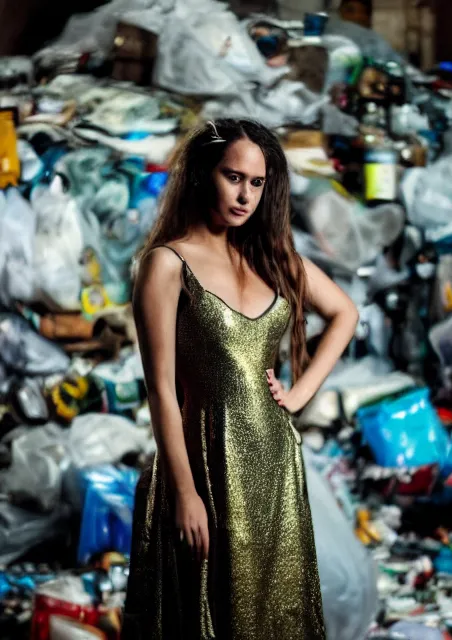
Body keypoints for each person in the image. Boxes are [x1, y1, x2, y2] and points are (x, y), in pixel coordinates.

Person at [122, 119, 359, 640]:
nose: (245, 194)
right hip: (204, 464)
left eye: (257, 183)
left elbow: (345, 313)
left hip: (275, 467)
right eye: (234, 177)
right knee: (208, 618)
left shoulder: (272, 258)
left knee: (273, 617)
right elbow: (161, 391)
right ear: (204, 174)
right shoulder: (166, 264)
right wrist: (185, 493)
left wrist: (298, 393)